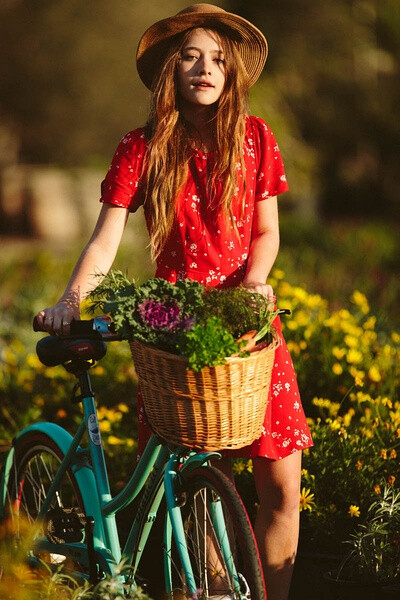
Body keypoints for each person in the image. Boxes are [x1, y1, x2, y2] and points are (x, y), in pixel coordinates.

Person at [35, 4, 313, 599]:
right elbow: (105, 239)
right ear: (171, 70)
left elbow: (266, 232)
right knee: (194, 486)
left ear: (232, 71)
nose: (205, 68)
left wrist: (255, 283)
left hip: (249, 326)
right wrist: (70, 302)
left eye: (217, 57)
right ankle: (207, 590)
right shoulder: (143, 147)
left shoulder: (257, 138)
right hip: (175, 327)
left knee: (282, 487)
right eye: (190, 55)